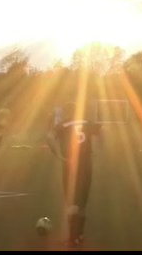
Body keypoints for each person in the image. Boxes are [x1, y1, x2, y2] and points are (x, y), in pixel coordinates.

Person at [48, 103, 101, 247]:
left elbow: (49, 138)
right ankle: (80, 235)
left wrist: (59, 155)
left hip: (70, 166)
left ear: (67, 111)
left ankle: (72, 238)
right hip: (86, 166)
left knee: (71, 202)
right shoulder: (87, 122)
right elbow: (100, 132)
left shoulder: (63, 125)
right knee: (82, 203)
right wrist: (95, 150)